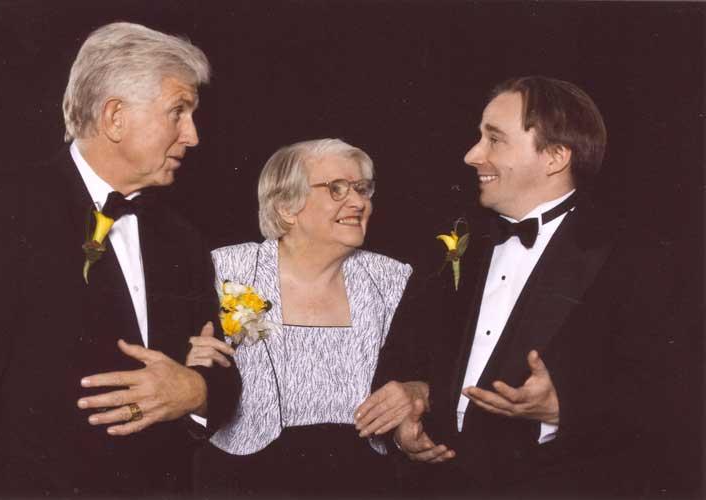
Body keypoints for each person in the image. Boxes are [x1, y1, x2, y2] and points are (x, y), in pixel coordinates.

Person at [0, 22, 239, 497]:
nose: (192, 135)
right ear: (114, 117)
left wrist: (198, 391)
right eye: (178, 112)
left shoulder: (182, 240)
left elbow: (219, 371)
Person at [388, 76, 675, 497]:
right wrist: (406, 409)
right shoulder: (454, 243)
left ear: (555, 156)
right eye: (478, 137)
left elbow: (671, 392)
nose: (472, 155)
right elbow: (404, 348)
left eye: (494, 139)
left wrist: (566, 409)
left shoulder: (637, 258)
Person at [183, 138, 424, 497]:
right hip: (243, 483)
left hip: (363, 483)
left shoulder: (392, 280)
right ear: (286, 208)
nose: (358, 202)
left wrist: (418, 391)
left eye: (362, 189)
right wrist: (188, 368)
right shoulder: (227, 270)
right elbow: (187, 373)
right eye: (337, 189)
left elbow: (431, 375)